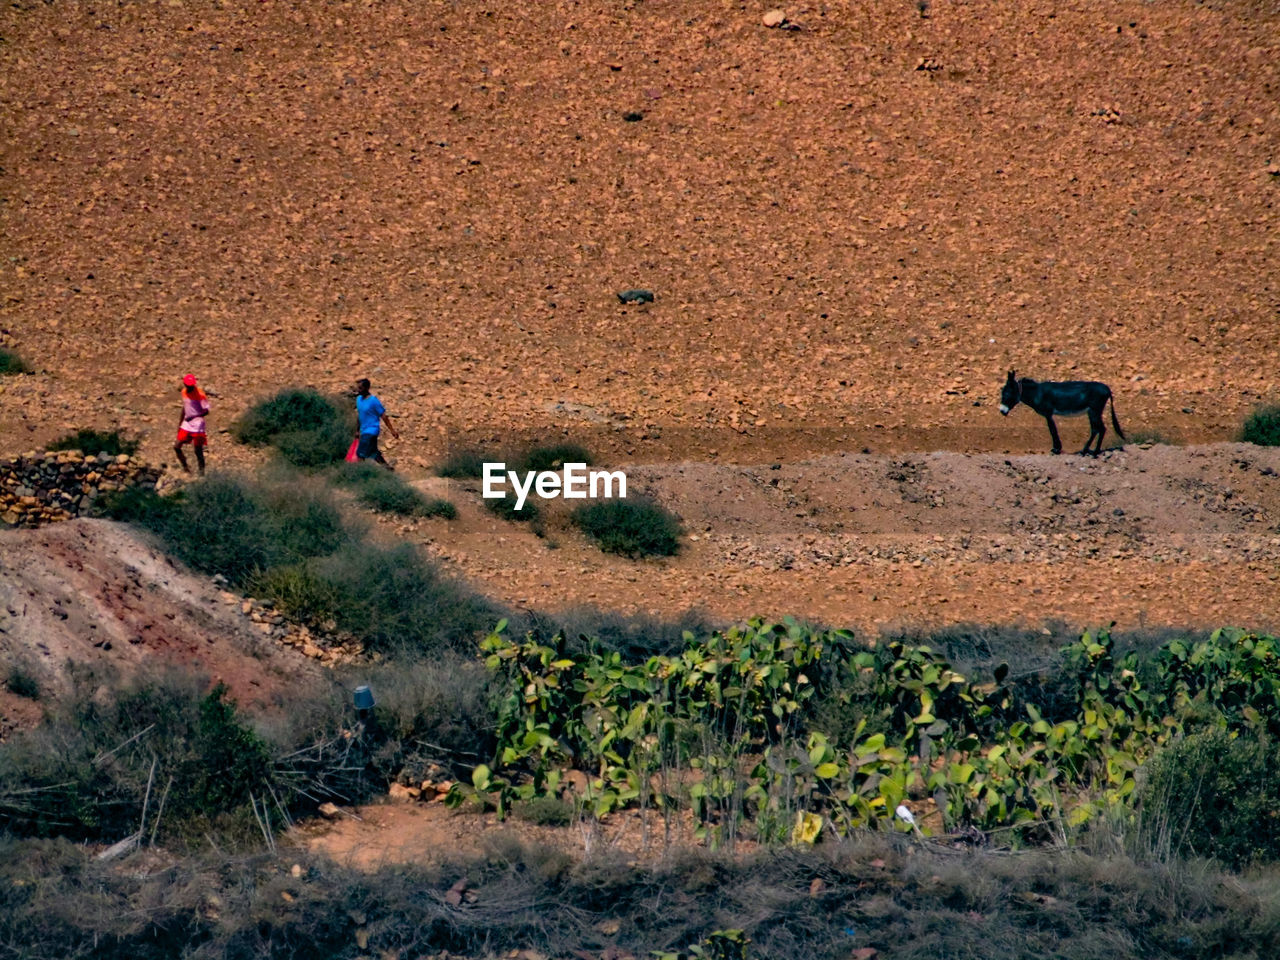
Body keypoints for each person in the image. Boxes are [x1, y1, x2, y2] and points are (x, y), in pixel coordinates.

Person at [354, 377, 399, 469]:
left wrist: (392, 430)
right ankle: (388, 469)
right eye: (358, 388)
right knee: (374, 453)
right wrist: (357, 430)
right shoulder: (358, 399)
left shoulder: (373, 400)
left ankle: (362, 475)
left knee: (360, 453)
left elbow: (384, 416)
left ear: (367, 388)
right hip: (363, 430)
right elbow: (360, 415)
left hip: (372, 430)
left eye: (360, 388)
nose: (358, 390)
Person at [174, 374, 210, 475]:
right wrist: (180, 423)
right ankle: (186, 467)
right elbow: (185, 407)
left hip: (197, 424)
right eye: (188, 384)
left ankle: (201, 473)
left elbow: (206, 411)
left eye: (191, 385)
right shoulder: (184, 392)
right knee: (177, 446)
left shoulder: (200, 395)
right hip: (187, 423)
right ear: (185, 384)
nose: (190, 386)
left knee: (198, 450)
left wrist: (194, 416)